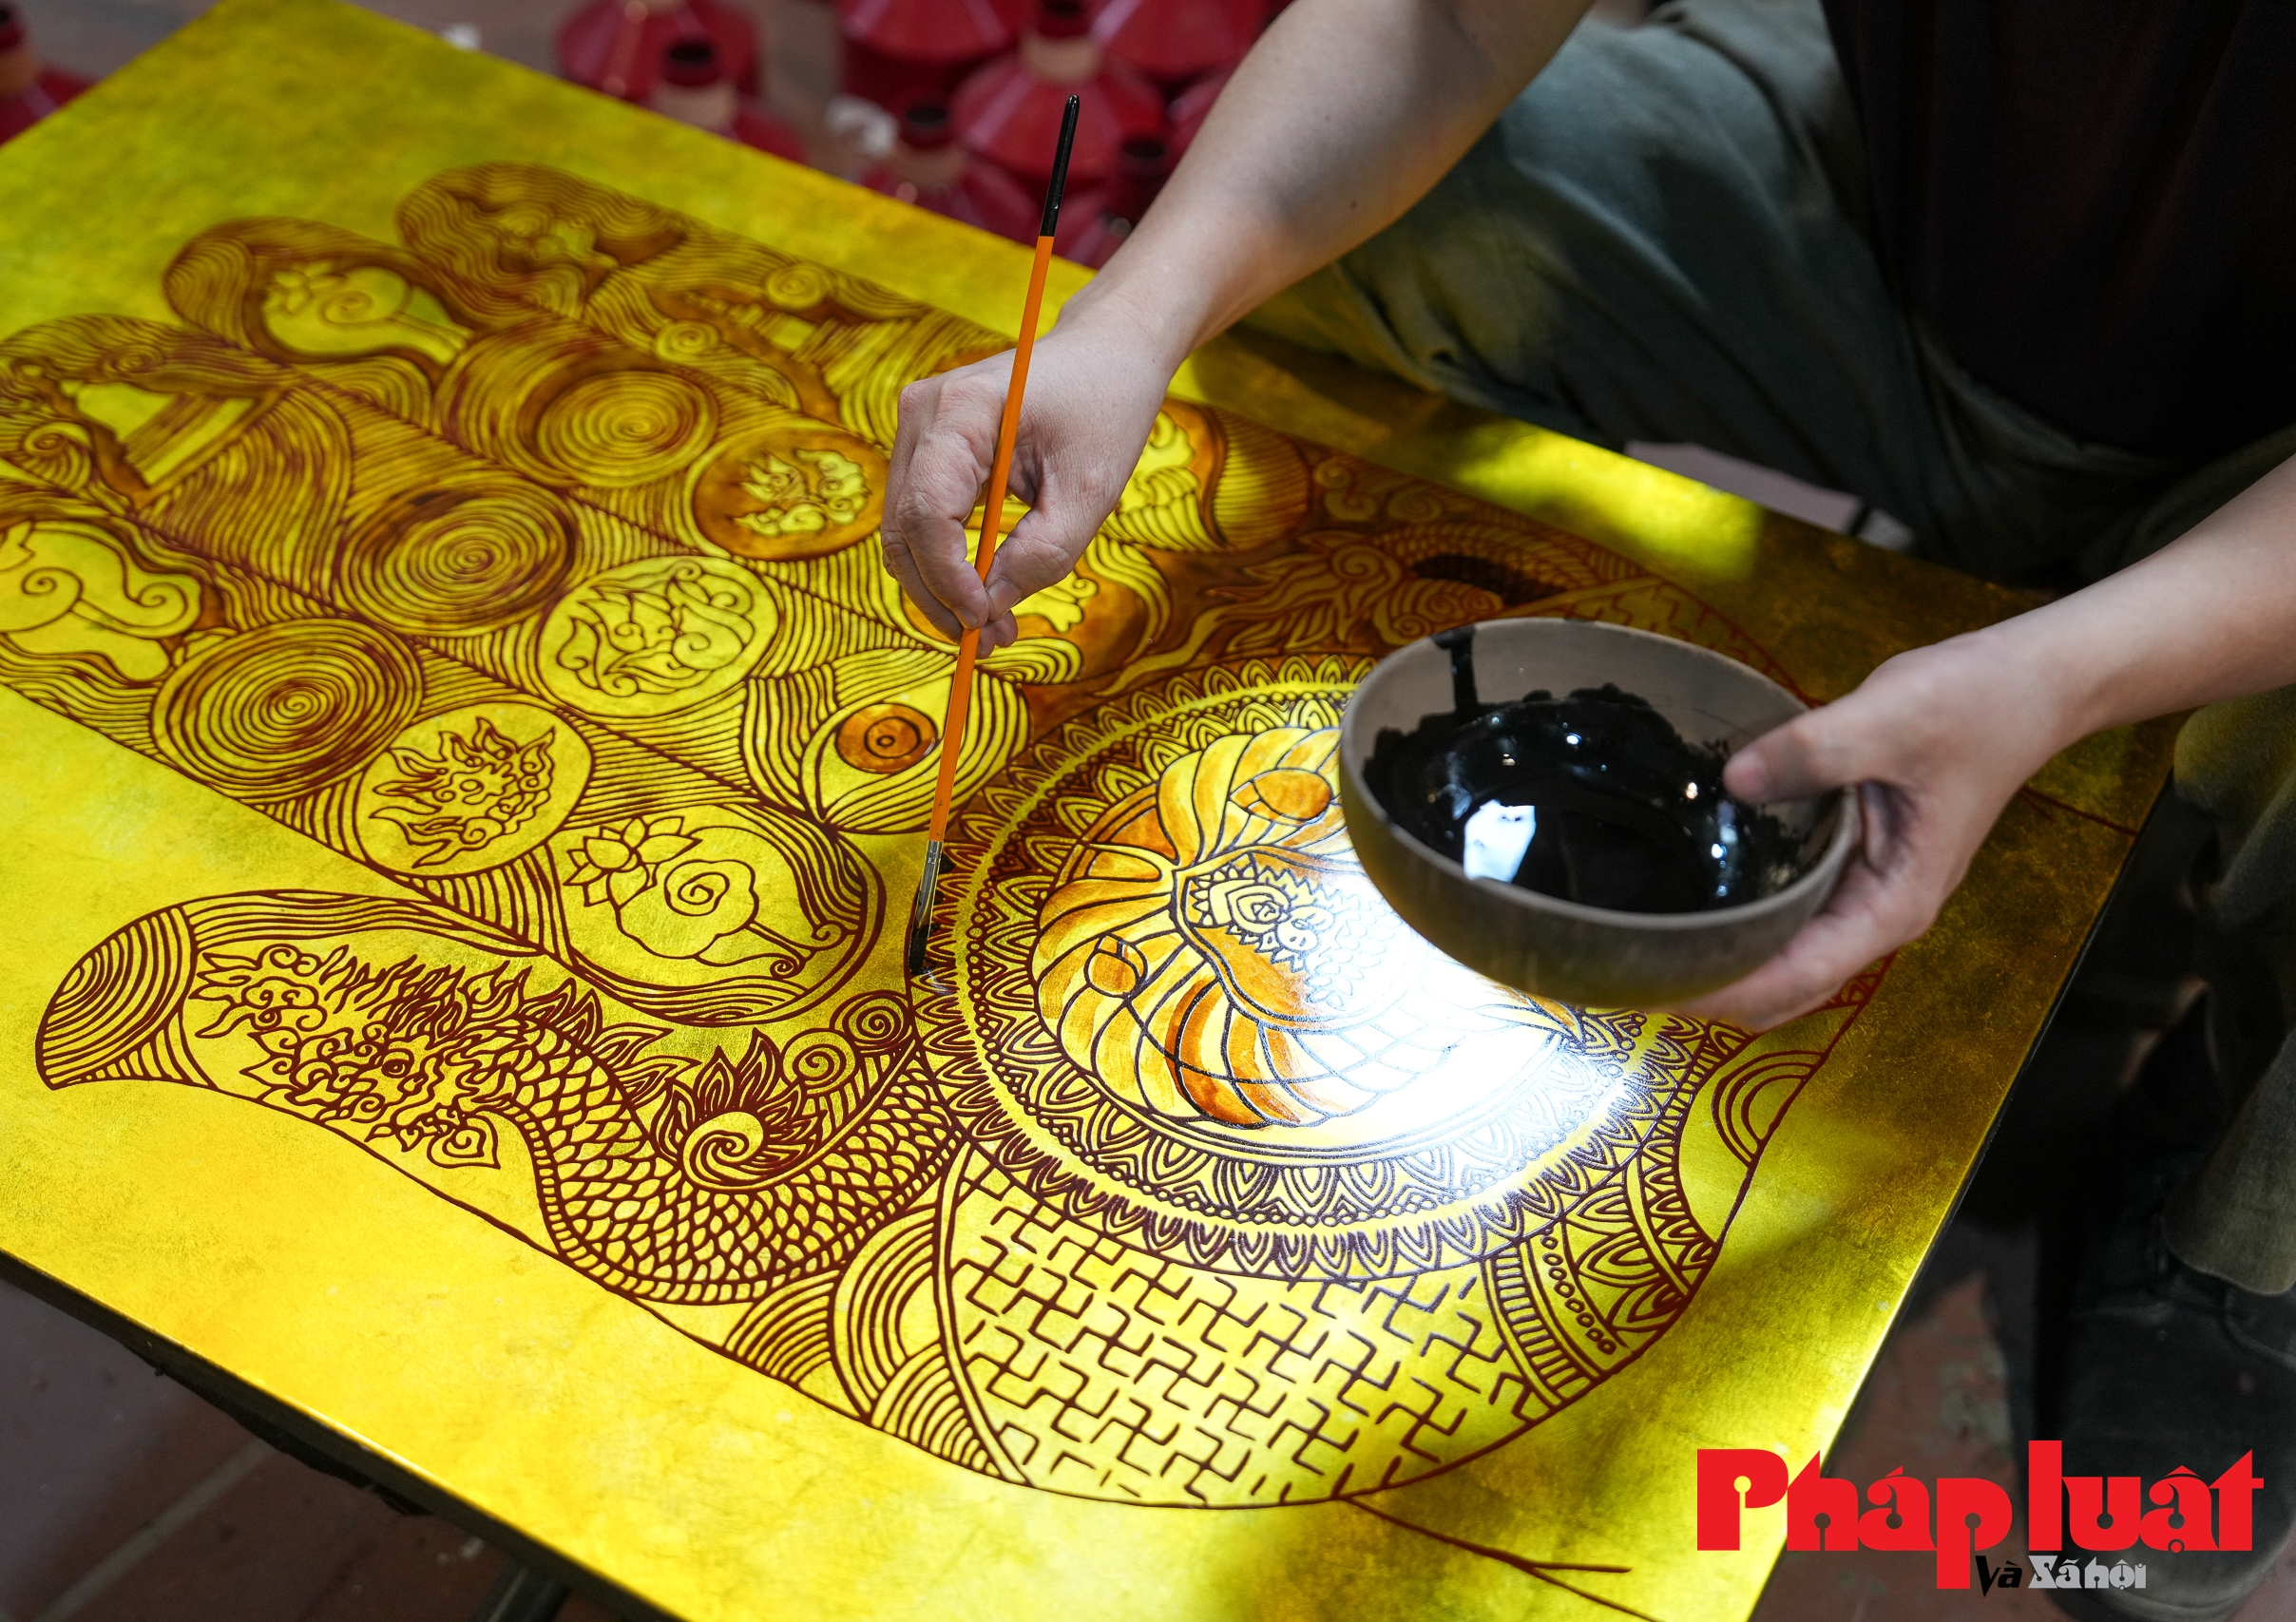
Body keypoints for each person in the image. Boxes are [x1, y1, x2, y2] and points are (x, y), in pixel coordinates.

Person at [878, 2, 2296, 1615]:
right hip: (1905, 217)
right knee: (1401, 225)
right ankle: (1300, 657)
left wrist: (2054, 673)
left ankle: (2246, 1245)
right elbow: (1440, 22)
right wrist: (1138, 311)